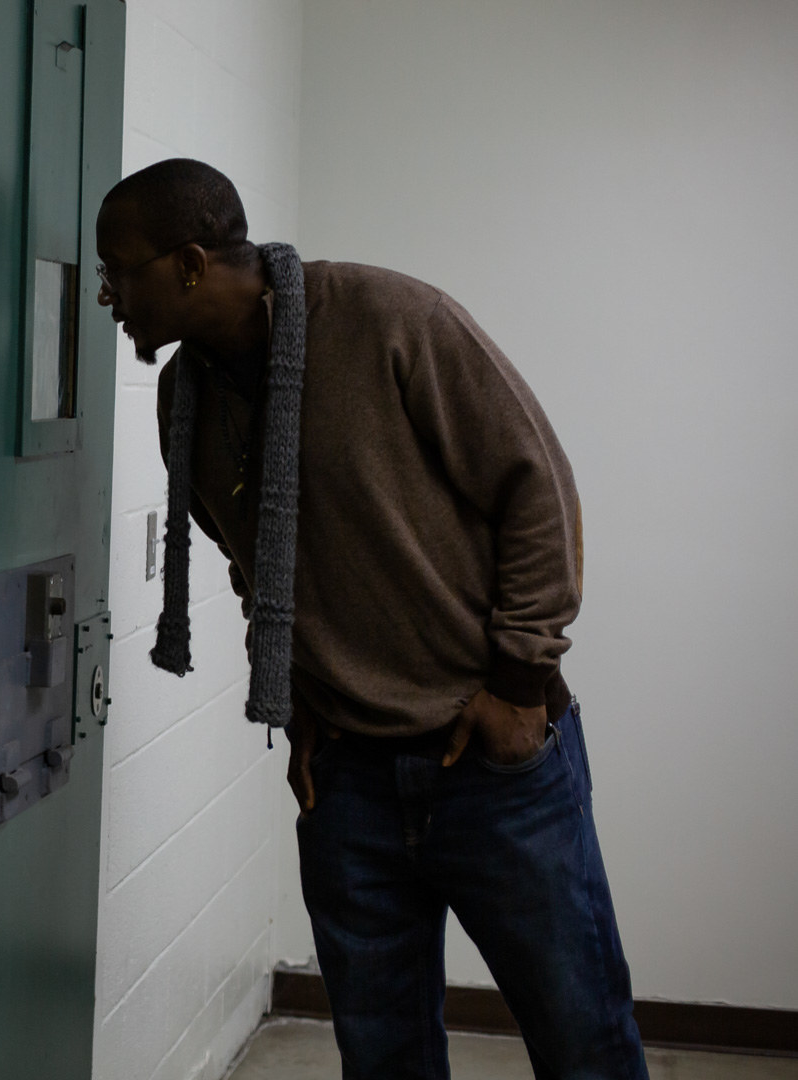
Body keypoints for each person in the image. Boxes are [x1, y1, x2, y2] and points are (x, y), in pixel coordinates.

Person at [96, 157, 648, 1079]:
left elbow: (538, 491)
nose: (110, 295)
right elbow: (258, 565)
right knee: (383, 1057)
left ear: (190, 265)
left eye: (121, 269)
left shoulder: (393, 320)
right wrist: (307, 698)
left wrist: (517, 684)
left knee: (582, 1038)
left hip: (495, 762)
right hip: (346, 779)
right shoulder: (181, 398)